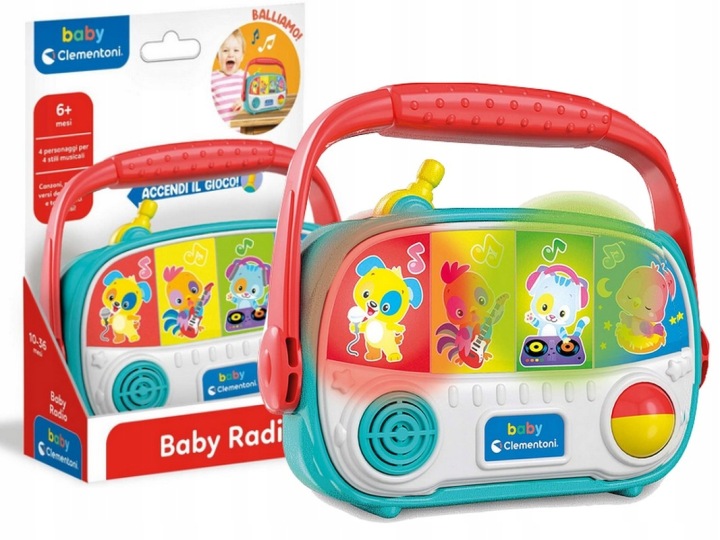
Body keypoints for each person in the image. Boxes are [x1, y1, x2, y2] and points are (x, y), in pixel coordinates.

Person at [211, 29, 246, 123]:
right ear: (217, 55)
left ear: (242, 56)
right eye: (225, 50)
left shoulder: (245, 77)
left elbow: (253, 102)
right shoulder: (211, 79)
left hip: (243, 129)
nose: (231, 54)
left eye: (236, 50)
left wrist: (245, 104)